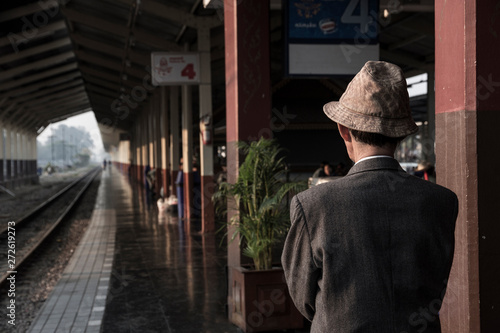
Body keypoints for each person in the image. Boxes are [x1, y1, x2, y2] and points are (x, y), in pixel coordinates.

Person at [281, 61, 458, 333]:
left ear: (343, 130)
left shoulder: (313, 205)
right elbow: (437, 283)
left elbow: (303, 300)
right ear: (400, 134)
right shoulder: (442, 202)